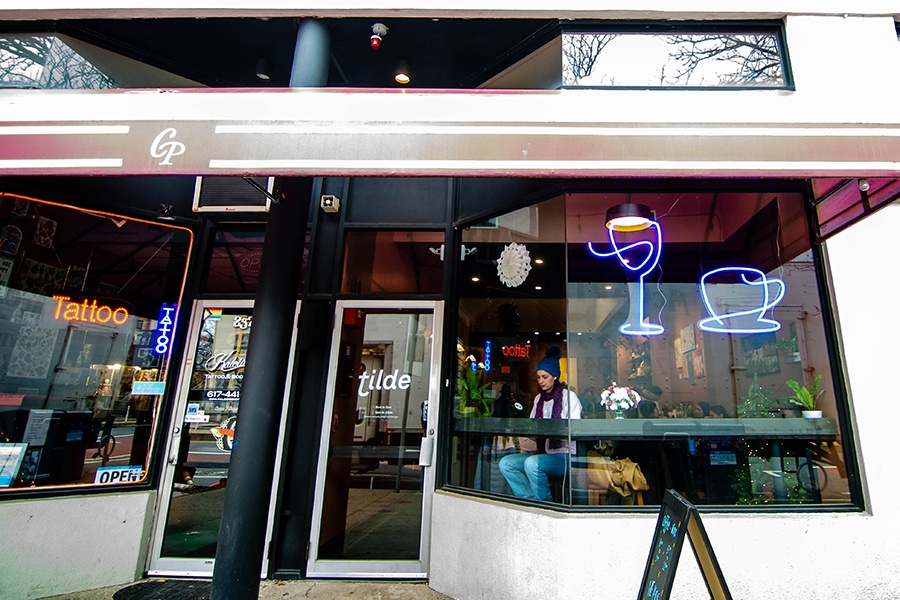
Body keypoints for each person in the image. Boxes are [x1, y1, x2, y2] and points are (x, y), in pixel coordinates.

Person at [498, 345, 582, 501]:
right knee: (506, 463)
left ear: (555, 376)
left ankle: (544, 504)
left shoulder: (569, 397)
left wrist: (549, 429)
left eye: (545, 376)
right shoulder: (538, 399)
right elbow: (533, 426)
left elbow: (574, 429)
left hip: (564, 455)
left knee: (532, 464)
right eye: (538, 377)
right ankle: (530, 499)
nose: (541, 381)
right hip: (542, 452)